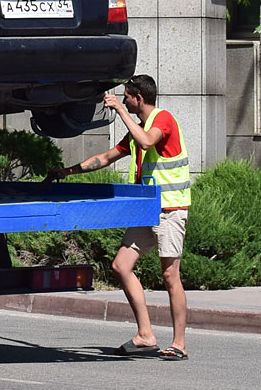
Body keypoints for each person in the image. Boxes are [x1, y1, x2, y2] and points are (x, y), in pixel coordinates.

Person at [44, 74, 192, 361]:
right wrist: (66, 172)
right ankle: (146, 335)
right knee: (121, 266)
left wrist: (121, 112)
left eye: (126, 96)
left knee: (170, 275)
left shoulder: (163, 120)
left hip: (171, 209)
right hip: (147, 209)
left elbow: (148, 142)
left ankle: (179, 344)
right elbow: (107, 157)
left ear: (138, 98)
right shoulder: (138, 130)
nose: (123, 99)